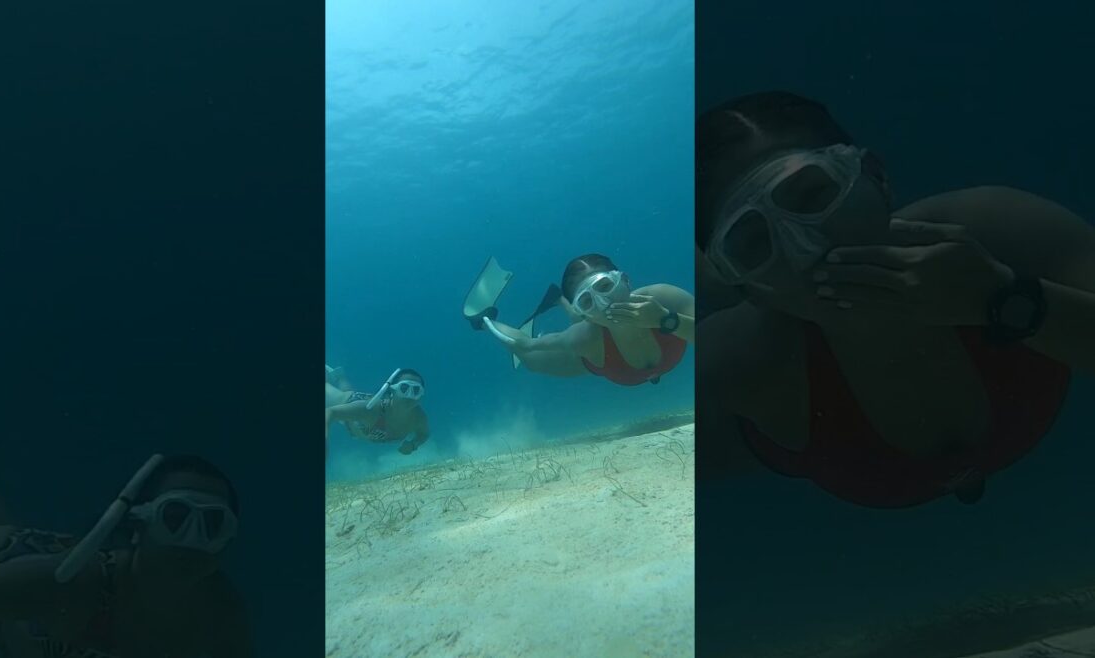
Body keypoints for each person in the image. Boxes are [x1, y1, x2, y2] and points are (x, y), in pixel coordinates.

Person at [696, 91, 1095, 508]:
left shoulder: (997, 231)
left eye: (814, 195)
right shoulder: (740, 359)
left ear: (876, 176)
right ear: (749, 290)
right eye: (752, 241)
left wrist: (1001, 296)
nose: (805, 250)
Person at [0, 452, 252, 657]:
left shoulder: (223, 616)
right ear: (137, 525)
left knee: (0, 528)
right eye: (176, 518)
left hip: (42, 575)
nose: (190, 542)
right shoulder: (81, 587)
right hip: (4, 560)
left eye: (212, 525)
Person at [478, 254, 695, 386]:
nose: (604, 303)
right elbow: (529, 345)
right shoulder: (584, 339)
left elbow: (719, 335)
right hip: (598, 353)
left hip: (599, 332)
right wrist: (494, 326)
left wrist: (666, 319)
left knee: (595, 317)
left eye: (605, 286)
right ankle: (482, 317)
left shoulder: (666, 299)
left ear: (625, 280)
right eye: (586, 301)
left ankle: (560, 300)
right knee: (532, 361)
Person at [325, 367, 430, 459]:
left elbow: (423, 434)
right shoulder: (372, 411)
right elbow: (330, 412)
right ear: (392, 390)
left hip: (358, 416)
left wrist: (413, 444)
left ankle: (340, 376)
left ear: (421, 396)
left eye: (416, 390)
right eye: (404, 388)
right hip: (350, 402)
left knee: (346, 391)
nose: (409, 396)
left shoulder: (418, 417)